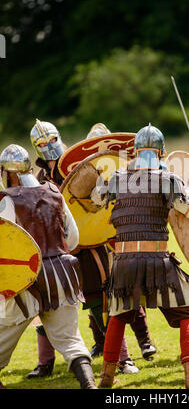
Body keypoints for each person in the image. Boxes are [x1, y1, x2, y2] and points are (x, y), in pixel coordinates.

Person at [91, 123, 189, 389]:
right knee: (187, 314)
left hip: (123, 261)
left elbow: (95, 199)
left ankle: (106, 378)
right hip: (156, 261)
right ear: (161, 152)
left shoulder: (116, 178)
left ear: (136, 151)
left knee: (118, 316)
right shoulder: (168, 179)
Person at [27, 119, 154, 378]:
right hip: (56, 252)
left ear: (59, 137)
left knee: (102, 303)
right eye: (42, 143)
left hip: (87, 246)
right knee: (48, 305)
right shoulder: (38, 179)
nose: (48, 146)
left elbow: (99, 202)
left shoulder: (78, 167)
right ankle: (45, 363)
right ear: (36, 147)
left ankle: (122, 359)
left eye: (51, 140)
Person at [0, 144, 97, 389]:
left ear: (6, 172)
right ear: (29, 168)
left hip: (27, 281)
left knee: (2, 335)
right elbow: (72, 239)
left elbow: (8, 246)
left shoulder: (7, 202)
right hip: (62, 276)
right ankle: (89, 385)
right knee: (70, 340)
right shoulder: (54, 192)